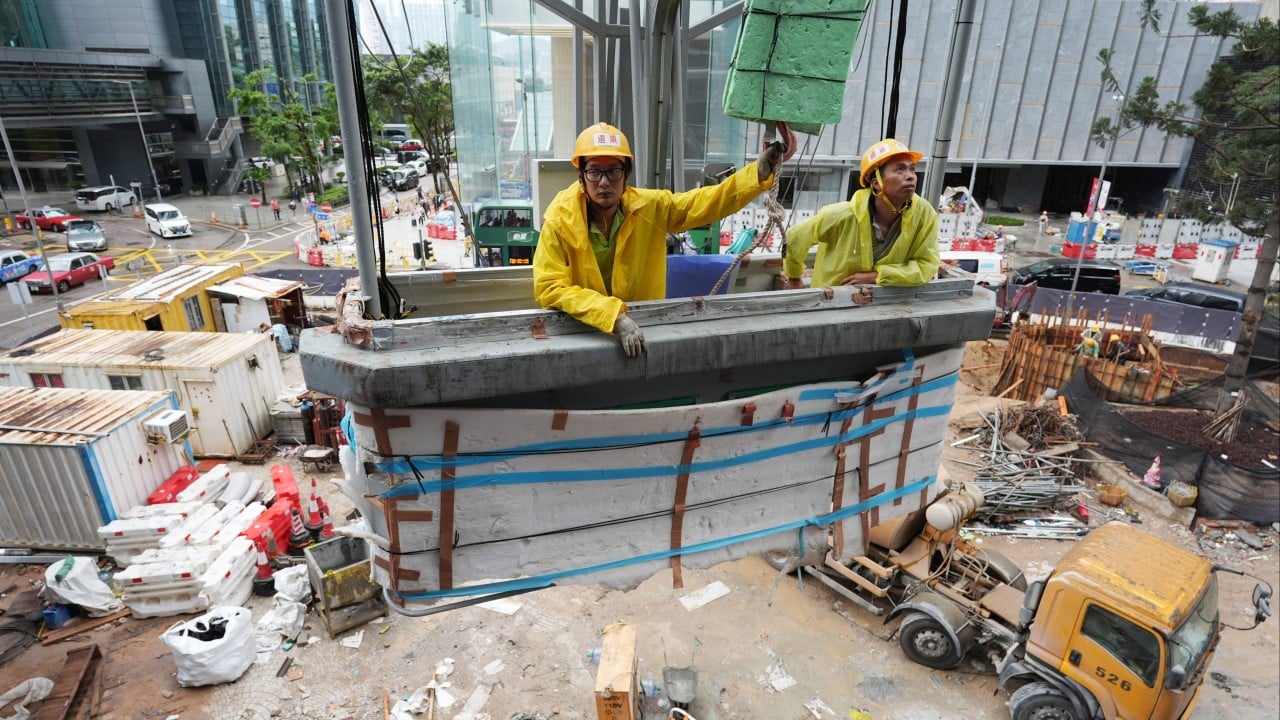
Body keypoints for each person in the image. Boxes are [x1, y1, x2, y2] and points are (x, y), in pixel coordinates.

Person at [534, 121, 795, 357]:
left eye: (613, 172)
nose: (604, 182)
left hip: (646, 328)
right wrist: (612, 316)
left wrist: (757, 175)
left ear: (626, 176)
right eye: (594, 172)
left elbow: (702, 203)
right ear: (581, 176)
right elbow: (550, 286)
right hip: (584, 334)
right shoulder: (560, 220)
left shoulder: (649, 208)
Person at [783, 139, 939, 289]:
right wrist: (794, 277)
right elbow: (794, 238)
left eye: (912, 169)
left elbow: (927, 265)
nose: (911, 176)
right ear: (876, 183)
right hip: (831, 304)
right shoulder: (841, 216)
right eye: (900, 169)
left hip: (885, 305)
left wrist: (877, 275)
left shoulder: (924, 215)